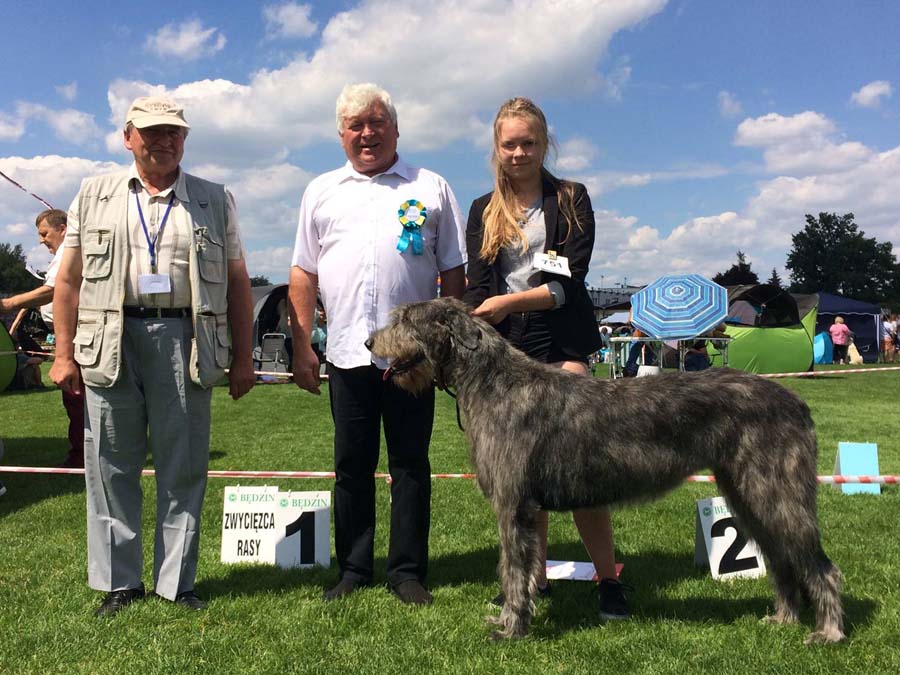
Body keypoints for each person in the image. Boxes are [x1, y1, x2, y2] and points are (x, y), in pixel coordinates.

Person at [49, 96, 255, 617]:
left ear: (185, 138)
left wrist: (245, 357)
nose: (164, 141)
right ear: (127, 136)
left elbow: (236, 283)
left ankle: (177, 583)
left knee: (182, 465)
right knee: (110, 465)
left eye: (175, 132)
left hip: (186, 340)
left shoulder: (213, 197)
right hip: (110, 337)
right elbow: (68, 281)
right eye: (152, 132)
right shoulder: (93, 193)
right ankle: (122, 583)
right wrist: (62, 353)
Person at [289, 83, 466, 606]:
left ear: (395, 127)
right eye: (355, 125)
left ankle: (408, 571)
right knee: (351, 465)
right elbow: (303, 271)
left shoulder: (430, 186)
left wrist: (447, 347)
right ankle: (354, 568)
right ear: (341, 134)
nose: (367, 134)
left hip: (413, 361)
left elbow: (453, 271)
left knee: (411, 464)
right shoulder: (320, 190)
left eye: (376, 123)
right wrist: (303, 346)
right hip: (346, 353)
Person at [463, 97, 629, 619]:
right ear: (497, 147)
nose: (519, 153)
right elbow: (478, 284)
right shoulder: (482, 210)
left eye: (529, 143)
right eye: (509, 144)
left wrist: (508, 301)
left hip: (561, 343)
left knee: (580, 471)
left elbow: (564, 282)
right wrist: (476, 314)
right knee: (517, 477)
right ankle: (531, 583)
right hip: (505, 350)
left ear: (545, 143)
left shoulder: (573, 199)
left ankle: (608, 579)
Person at [0, 209, 86, 467]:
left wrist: (7, 304)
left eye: (44, 233)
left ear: (63, 228)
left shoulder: (68, 253)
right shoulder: (62, 255)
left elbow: (52, 291)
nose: (41, 241)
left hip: (75, 336)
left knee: (76, 397)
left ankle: (80, 457)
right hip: (70, 334)